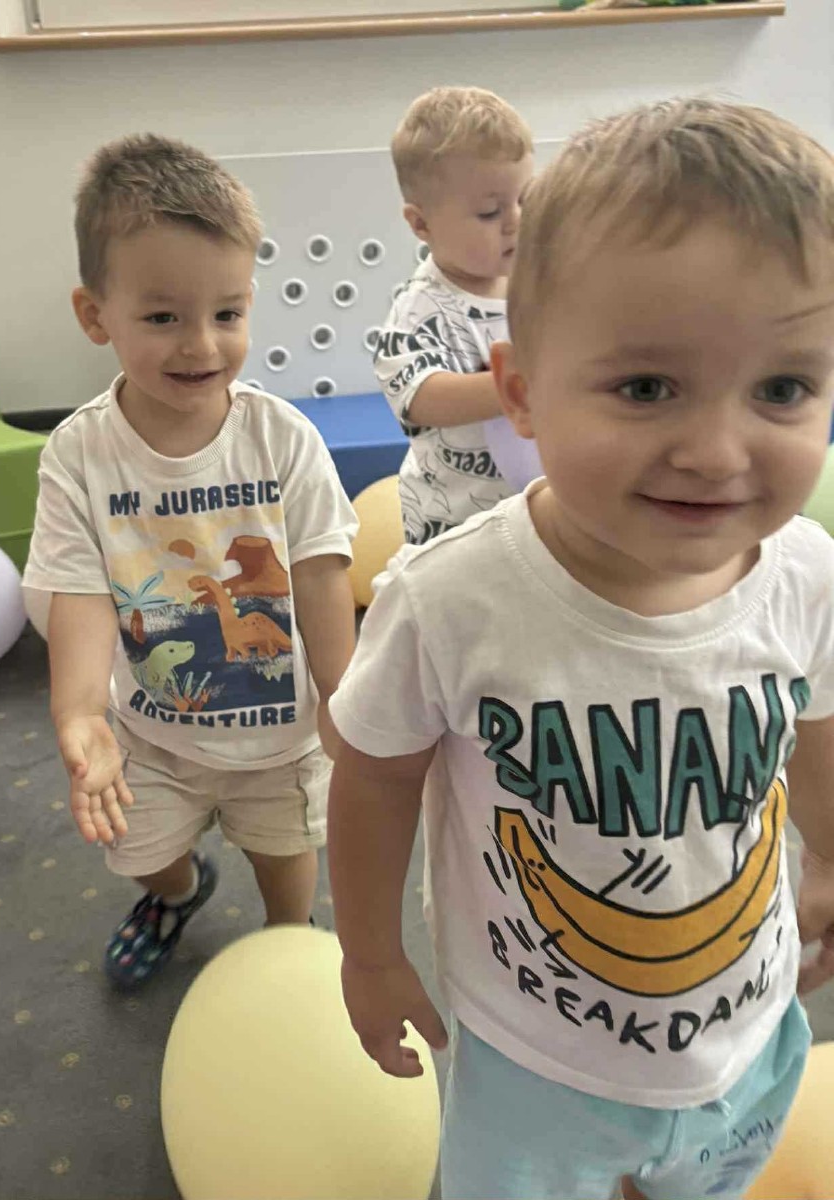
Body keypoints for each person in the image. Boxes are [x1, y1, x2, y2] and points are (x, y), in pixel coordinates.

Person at [327, 97, 834, 1200]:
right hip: (534, 1066)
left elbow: (817, 727)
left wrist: (832, 858)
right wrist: (368, 953)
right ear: (520, 392)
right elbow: (372, 774)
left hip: (746, 1032)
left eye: (782, 388)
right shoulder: (449, 600)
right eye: (646, 388)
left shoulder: (807, 572)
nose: (716, 451)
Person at [24, 133, 357, 987]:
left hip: (280, 737)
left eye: (227, 314)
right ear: (95, 315)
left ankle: (289, 939)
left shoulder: (282, 438)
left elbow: (320, 574)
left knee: (285, 851)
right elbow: (79, 591)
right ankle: (178, 895)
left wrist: (343, 698)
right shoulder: (79, 455)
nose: (201, 346)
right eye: (163, 317)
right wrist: (79, 715)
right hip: (149, 733)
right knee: (140, 853)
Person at [374, 85, 539, 546]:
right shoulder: (422, 309)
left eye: (525, 199)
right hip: (456, 527)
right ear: (421, 224)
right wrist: (528, 381)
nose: (516, 221)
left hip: (537, 513)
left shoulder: (539, 284)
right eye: (489, 212)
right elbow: (423, 398)